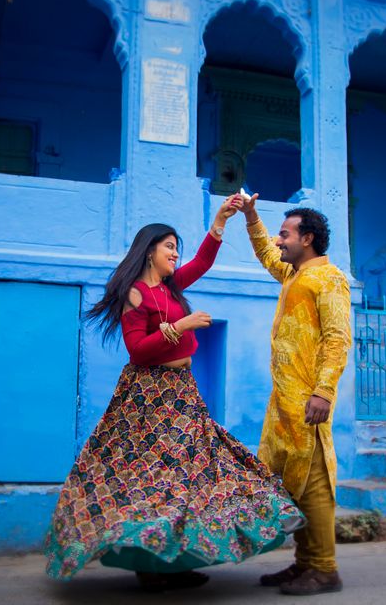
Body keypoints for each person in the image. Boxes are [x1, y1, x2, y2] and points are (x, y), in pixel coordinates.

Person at [45, 194, 304, 592]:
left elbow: (202, 262)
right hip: (148, 399)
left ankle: (173, 561)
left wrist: (220, 220)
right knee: (154, 480)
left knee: (188, 476)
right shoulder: (137, 292)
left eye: (176, 248)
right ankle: (151, 566)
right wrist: (182, 326)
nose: (175, 254)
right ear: (149, 252)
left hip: (181, 392)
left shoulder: (170, 287)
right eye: (169, 247)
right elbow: (137, 350)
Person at [240, 196, 352, 596]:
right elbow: (267, 253)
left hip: (308, 401)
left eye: (285, 233)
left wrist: (323, 391)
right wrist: (251, 217)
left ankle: (324, 569)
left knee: (316, 483)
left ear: (307, 238)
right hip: (284, 402)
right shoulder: (292, 275)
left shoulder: (329, 278)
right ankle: (304, 563)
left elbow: (337, 339)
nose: (279, 239)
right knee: (294, 484)